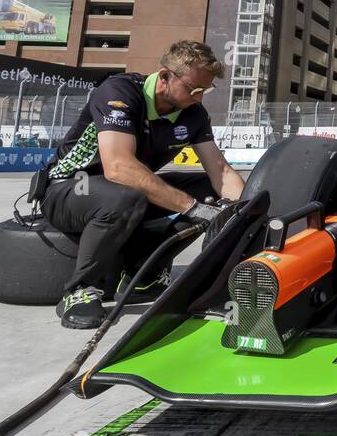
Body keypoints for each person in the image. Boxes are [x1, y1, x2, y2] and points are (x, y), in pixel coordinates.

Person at [41, 41, 245, 329]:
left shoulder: (193, 113)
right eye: (192, 89)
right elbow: (118, 167)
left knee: (211, 194)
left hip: (126, 194)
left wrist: (247, 211)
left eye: (205, 91)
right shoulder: (118, 92)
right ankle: (80, 290)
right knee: (127, 195)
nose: (199, 98)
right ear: (164, 77)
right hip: (71, 188)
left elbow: (221, 172)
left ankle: (142, 274)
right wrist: (192, 208)